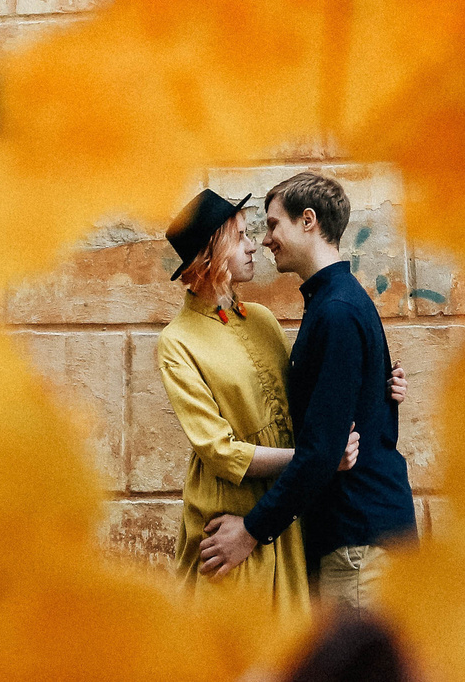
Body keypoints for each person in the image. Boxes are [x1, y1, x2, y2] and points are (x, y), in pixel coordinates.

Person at [153, 188, 405, 620]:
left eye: (262, 229)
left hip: (284, 514)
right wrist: (317, 458)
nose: (256, 244)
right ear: (209, 254)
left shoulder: (265, 321)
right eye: (240, 235)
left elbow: (309, 402)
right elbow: (218, 450)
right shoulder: (176, 341)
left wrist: (377, 389)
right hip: (230, 512)